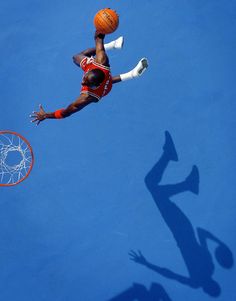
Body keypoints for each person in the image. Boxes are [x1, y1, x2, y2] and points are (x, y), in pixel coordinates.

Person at [30, 31, 148, 125]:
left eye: (86, 82)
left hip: (104, 91)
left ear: (94, 86)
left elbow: (66, 113)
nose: (82, 82)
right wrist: (102, 24)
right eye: (85, 78)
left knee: (77, 57)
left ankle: (132, 73)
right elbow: (98, 38)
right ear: (90, 71)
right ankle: (129, 69)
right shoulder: (101, 61)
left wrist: (46, 115)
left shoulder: (86, 97)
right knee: (79, 57)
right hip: (105, 82)